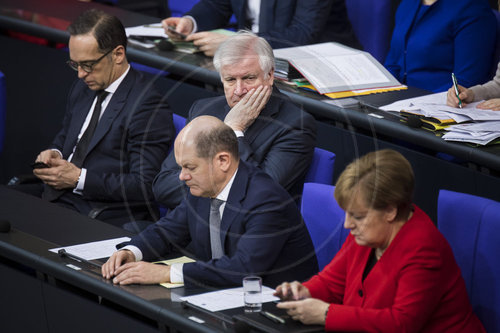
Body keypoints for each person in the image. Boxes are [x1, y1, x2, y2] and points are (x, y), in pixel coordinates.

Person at [274, 149, 485, 332]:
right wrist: (305, 291)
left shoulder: (424, 249)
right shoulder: (370, 232)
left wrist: (326, 314)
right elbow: (334, 281)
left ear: (390, 211)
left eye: (357, 216)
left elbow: (401, 324)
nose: (347, 225)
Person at [102, 116, 318, 288]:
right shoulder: (204, 187)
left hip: (273, 307)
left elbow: (242, 269)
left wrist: (165, 273)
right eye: (181, 167)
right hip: (220, 294)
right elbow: (167, 230)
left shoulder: (266, 200)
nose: (182, 176)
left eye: (190, 167)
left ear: (222, 160)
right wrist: (132, 251)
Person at [19, 9, 174, 224]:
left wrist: (79, 178)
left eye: (88, 65)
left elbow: (144, 185)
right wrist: (53, 153)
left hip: (101, 211)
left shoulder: (147, 106)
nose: (81, 74)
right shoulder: (83, 87)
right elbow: (66, 137)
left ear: (118, 54)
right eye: (75, 64)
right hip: (56, 196)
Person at [153, 31, 316, 210]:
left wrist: (234, 130)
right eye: (230, 80)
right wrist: (217, 188)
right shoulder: (203, 110)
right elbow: (163, 187)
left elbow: (258, 195)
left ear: (269, 75)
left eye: (248, 78)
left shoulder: (295, 125)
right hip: (191, 228)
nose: (239, 90)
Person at [162, 0, 361, 56]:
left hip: (317, 62)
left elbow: (302, 33)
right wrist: (190, 22)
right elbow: (217, 5)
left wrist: (238, 43)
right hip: (254, 60)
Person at [384, 0, 496, 93]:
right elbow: (393, 62)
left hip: (438, 105)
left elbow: (466, 82)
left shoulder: (472, 8)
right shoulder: (408, 3)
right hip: (399, 101)